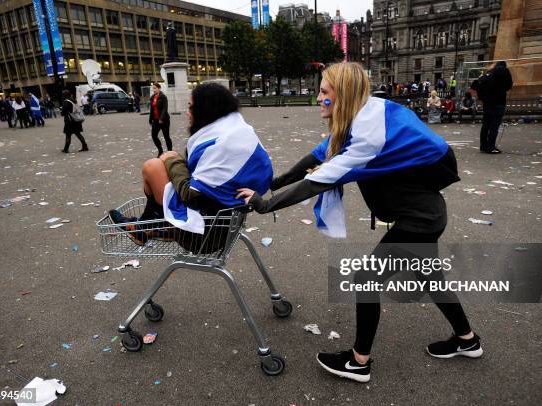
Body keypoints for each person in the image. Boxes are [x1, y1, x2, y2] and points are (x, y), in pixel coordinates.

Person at [237, 62, 481, 383]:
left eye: (324, 92)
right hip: (426, 214)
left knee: (365, 279)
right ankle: (467, 339)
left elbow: (321, 178)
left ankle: (358, 362)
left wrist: (265, 204)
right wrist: (275, 181)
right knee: (429, 279)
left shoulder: (368, 135)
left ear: (343, 94)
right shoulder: (362, 116)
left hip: (419, 220)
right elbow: (318, 155)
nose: (318, 97)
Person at [108, 83, 272, 251]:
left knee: (153, 166)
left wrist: (173, 161)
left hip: (201, 235)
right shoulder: (238, 133)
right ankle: (146, 227)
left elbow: (191, 196)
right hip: (222, 226)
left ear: (205, 110)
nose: (187, 112)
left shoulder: (221, 146)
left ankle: (146, 228)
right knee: (170, 159)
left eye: (191, 107)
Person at [471, 60, 513, 154]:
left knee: (486, 125)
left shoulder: (488, 74)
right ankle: (491, 147)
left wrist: (482, 97)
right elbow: (509, 85)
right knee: (494, 126)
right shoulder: (505, 72)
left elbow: (475, 85)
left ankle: (483, 146)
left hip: (487, 104)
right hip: (499, 103)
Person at [149, 82, 172, 156]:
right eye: (153, 88)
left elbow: (165, 109)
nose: (154, 90)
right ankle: (160, 150)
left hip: (164, 120)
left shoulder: (163, 97)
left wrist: (161, 119)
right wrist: (150, 119)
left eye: (155, 88)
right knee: (154, 135)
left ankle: (170, 152)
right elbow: (152, 109)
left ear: (159, 88)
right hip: (155, 120)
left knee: (166, 136)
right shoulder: (152, 97)